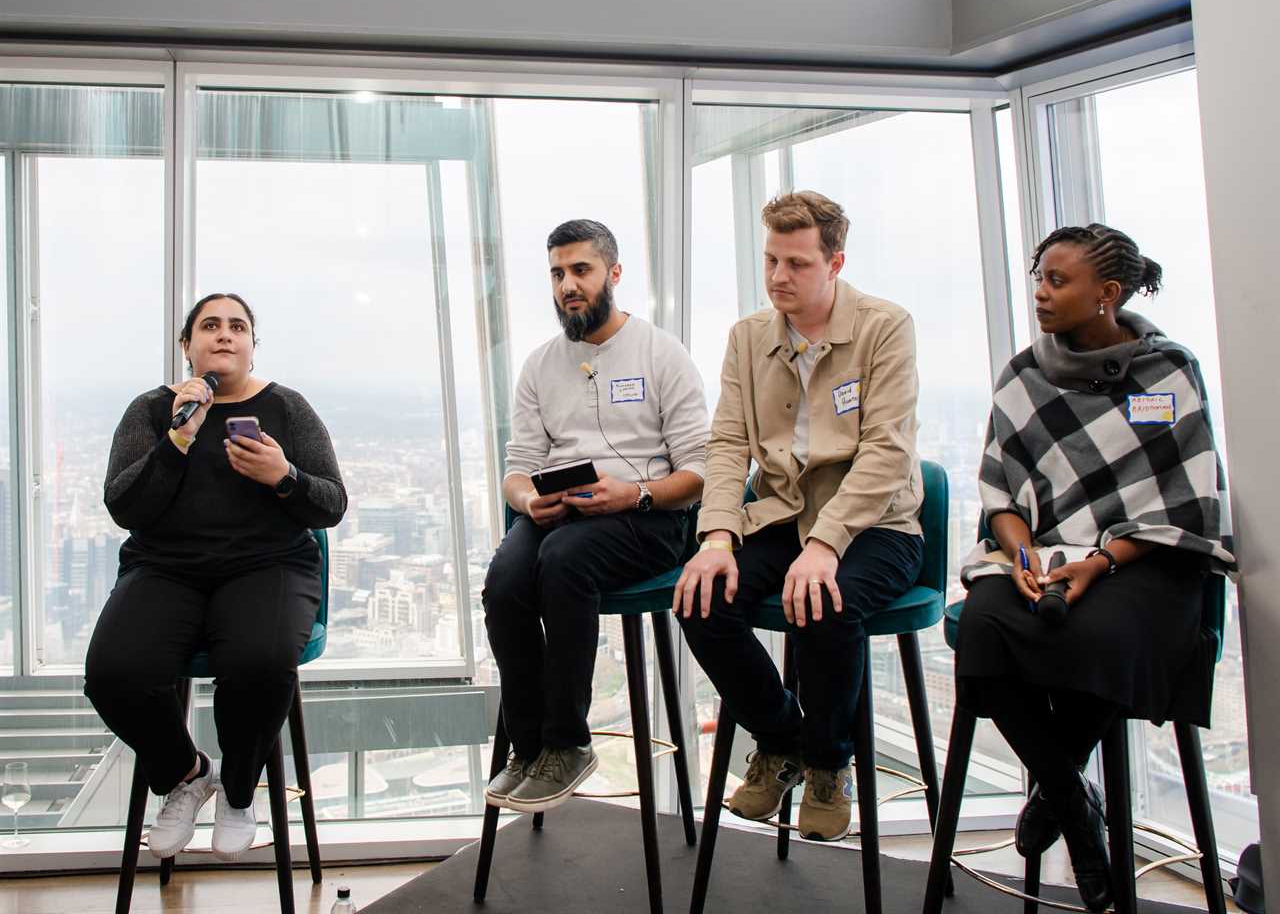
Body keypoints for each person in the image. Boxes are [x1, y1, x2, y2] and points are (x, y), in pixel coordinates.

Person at [956, 224, 1234, 912]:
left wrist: (1102, 559)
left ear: (1108, 294)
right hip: (1042, 550)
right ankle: (1075, 807)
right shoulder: (1025, 374)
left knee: (1104, 633)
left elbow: (1186, 500)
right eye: (1039, 279)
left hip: (1146, 556)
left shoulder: (1168, 372)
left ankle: (1058, 795)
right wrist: (1023, 557)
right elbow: (1002, 493)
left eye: (1058, 281)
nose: (1041, 295)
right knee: (983, 628)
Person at [674, 191, 924, 842]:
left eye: (797, 263)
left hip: (878, 525)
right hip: (784, 512)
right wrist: (720, 535)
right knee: (701, 599)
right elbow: (727, 443)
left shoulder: (884, 325)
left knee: (826, 598)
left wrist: (829, 543)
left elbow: (887, 451)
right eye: (770, 261)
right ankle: (783, 740)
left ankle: (828, 764)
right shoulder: (748, 337)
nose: (779, 277)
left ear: (835, 262)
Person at [84, 293, 346, 862]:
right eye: (209, 326)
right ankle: (185, 774)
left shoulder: (288, 407)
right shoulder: (152, 411)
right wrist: (178, 439)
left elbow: (330, 505)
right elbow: (125, 507)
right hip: (166, 567)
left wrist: (283, 476)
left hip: (269, 563)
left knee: (256, 661)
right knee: (112, 673)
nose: (224, 335)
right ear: (187, 347)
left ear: (253, 345)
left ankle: (236, 790)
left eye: (237, 326)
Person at [483, 219, 708, 813]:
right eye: (557, 274)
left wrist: (633, 493)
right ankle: (527, 745)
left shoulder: (663, 352)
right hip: (561, 511)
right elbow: (517, 467)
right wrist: (530, 500)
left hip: (649, 515)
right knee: (504, 582)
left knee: (562, 561)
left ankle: (567, 744)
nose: (567, 286)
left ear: (613, 273)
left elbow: (699, 470)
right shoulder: (539, 365)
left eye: (580, 270)